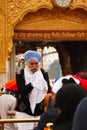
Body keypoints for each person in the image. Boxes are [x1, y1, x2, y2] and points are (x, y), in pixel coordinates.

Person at [15, 50, 50, 130]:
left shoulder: (43, 74)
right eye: (32, 64)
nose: (34, 66)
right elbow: (22, 91)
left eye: (36, 63)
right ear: (27, 63)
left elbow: (47, 90)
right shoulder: (21, 74)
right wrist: (32, 84)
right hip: (24, 111)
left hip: (40, 110)